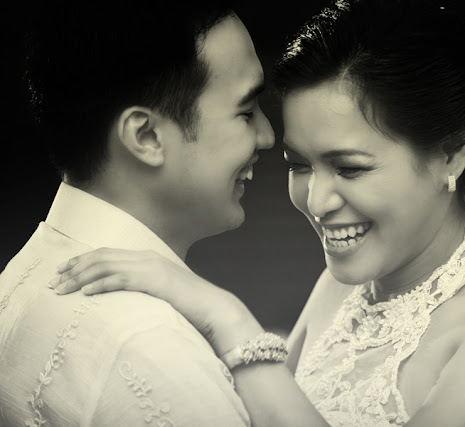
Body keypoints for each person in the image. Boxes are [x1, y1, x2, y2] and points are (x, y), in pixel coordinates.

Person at [50, 0, 465, 426]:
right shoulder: (341, 289)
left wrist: (227, 318)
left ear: (451, 153)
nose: (316, 202)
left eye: (349, 168)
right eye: (299, 164)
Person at [0, 2, 274, 426]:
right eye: (246, 112)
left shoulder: (18, 278)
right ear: (146, 136)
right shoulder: (154, 348)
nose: (268, 135)